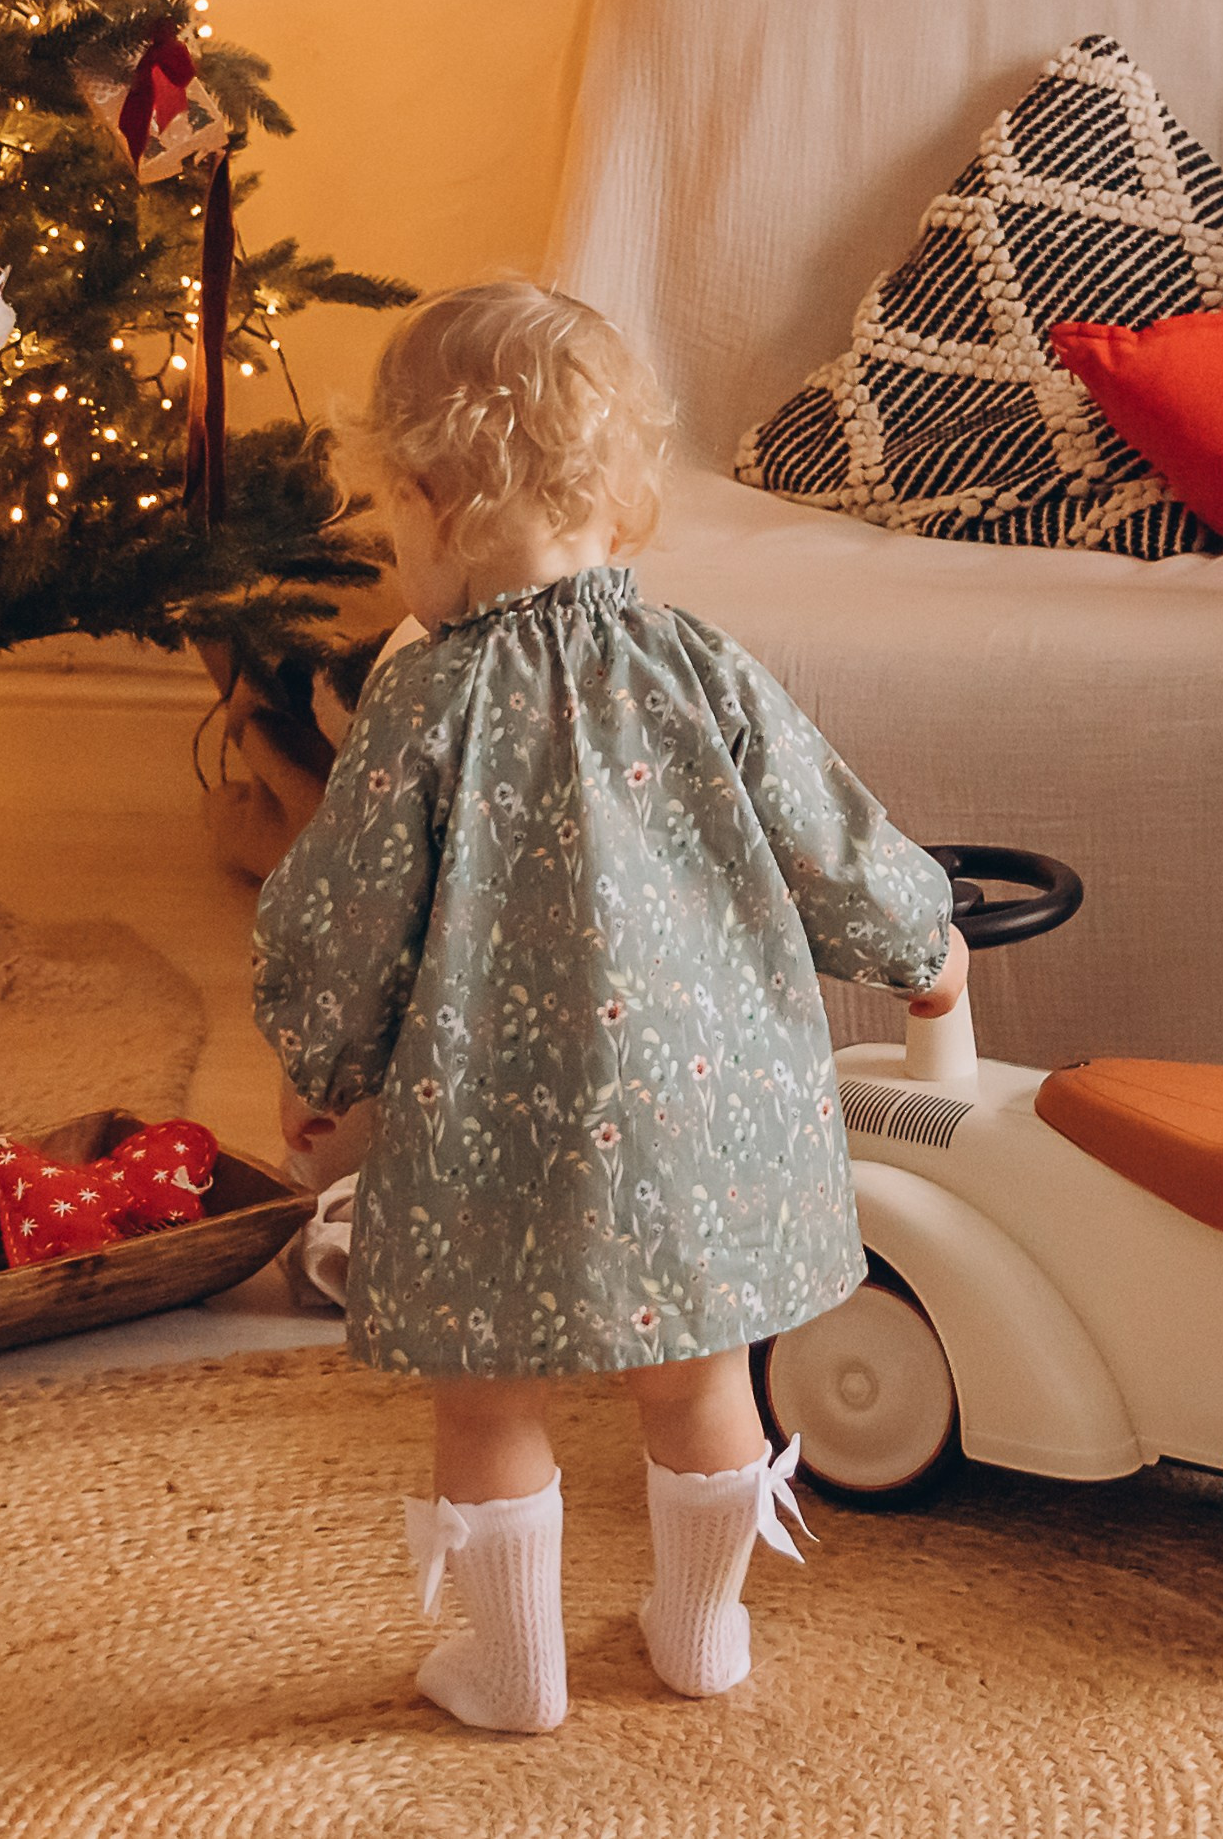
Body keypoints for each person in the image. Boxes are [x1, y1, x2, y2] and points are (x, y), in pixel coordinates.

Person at [254, 278, 966, 1735]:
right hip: (697, 1119)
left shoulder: (421, 700)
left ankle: (512, 1673)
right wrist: (924, 950)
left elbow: (347, 912)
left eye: (389, 519)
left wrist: (318, 1062)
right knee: (700, 1382)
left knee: (486, 1399)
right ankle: (699, 1634)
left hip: (492, 1130)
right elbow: (829, 834)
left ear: (429, 501)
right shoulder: (700, 663)